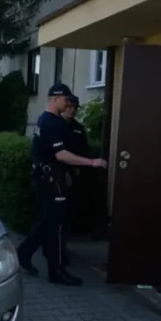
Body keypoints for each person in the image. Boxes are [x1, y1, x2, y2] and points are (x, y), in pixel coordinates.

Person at [16, 83, 107, 287]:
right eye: (66, 100)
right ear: (56, 99)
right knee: (56, 225)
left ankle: (23, 253)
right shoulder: (51, 122)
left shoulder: (48, 119)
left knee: (47, 222)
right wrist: (92, 162)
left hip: (49, 178)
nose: (68, 104)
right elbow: (61, 155)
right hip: (50, 181)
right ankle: (55, 272)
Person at [59, 94, 90, 264]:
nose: (71, 111)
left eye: (74, 108)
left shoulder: (78, 128)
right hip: (58, 176)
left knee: (67, 216)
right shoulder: (55, 126)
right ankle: (55, 252)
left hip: (75, 175)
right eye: (69, 107)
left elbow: (84, 151)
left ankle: (61, 250)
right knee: (56, 217)